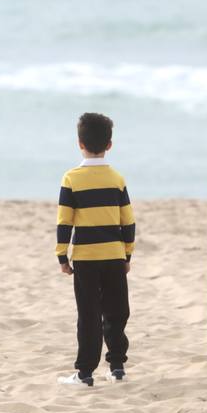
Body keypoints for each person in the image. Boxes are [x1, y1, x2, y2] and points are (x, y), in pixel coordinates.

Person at [55, 112, 135, 387]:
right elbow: (128, 221)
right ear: (109, 144)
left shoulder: (71, 178)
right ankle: (116, 367)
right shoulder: (117, 178)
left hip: (86, 259)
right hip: (114, 256)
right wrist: (127, 254)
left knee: (88, 315)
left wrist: (62, 255)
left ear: (80, 143)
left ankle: (85, 372)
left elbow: (65, 220)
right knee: (116, 311)